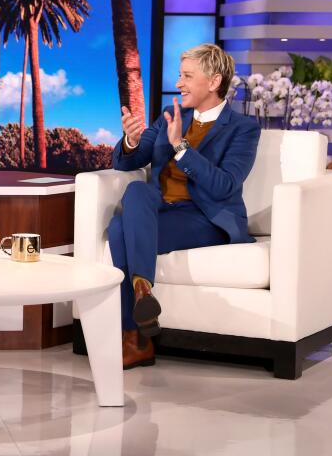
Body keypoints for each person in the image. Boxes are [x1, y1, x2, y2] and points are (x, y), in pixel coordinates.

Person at [109, 43, 261, 370]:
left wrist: (181, 147)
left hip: (203, 218)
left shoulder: (243, 129)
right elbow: (128, 162)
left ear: (214, 81)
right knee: (136, 188)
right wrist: (131, 141)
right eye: (180, 75)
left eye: (187, 76)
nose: (179, 83)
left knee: (119, 230)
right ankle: (142, 294)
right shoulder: (169, 115)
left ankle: (135, 339)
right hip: (158, 208)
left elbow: (224, 185)